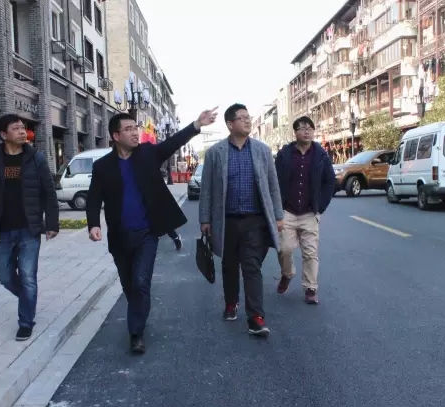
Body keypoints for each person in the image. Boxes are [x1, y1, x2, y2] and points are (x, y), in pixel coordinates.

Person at [86, 108, 218, 354]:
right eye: (128, 129)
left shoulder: (148, 153)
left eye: (135, 128)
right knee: (129, 285)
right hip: (119, 236)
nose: (135, 132)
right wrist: (93, 223)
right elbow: (93, 197)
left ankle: (136, 333)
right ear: (116, 136)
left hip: (147, 233)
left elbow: (173, 143)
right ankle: (137, 311)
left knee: (140, 282)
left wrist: (196, 124)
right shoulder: (103, 166)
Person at [0, 114, 59, 341]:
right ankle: (28, 298)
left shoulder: (36, 159)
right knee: (4, 275)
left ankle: (25, 322)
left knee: (28, 277)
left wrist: (52, 224)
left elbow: (49, 193)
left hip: (29, 229)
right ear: (3, 134)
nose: (22, 131)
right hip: (3, 229)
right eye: (16, 128)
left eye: (23, 128)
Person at [199, 103, 284, 337]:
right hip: (226, 221)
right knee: (229, 265)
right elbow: (207, 189)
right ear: (230, 124)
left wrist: (278, 215)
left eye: (248, 117)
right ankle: (231, 302)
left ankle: (256, 317)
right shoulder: (215, 153)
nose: (247, 121)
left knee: (251, 266)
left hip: (254, 221)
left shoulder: (262, 150)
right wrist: (205, 219)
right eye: (242, 117)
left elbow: (273, 186)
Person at [274, 116, 335, 304]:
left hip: (310, 212)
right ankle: (287, 273)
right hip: (287, 211)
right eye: (302, 128)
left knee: (310, 252)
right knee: (284, 249)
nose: (306, 131)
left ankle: (310, 288)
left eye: (309, 128)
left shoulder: (321, 155)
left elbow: (330, 182)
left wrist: (320, 207)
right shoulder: (284, 155)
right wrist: (277, 208)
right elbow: (274, 181)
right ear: (295, 132)